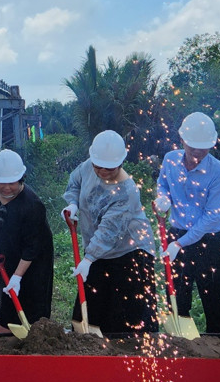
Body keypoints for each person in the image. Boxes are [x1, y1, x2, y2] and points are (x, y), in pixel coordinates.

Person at [62, 130, 158, 336]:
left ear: (120, 162)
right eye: (98, 166)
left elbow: (110, 232)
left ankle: (124, 355)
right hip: (98, 248)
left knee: (124, 318)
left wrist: (88, 259)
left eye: (109, 168)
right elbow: (75, 183)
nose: (102, 171)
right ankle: (88, 351)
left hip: (131, 251)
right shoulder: (89, 166)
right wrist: (72, 205)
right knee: (87, 309)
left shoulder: (127, 191)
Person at [156, 111, 220, 333]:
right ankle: (180, 341)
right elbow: (163, 184)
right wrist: (163, 199)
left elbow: (212, 216)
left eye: (203, 149)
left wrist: (181, 244)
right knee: (176, 293)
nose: (197, 154)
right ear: (182, 141)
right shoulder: (170, 160)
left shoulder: (219, 172)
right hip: (177, 233)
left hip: (210, 239)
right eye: (192, 148)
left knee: (214, 296)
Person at [0, 149, 53, 333]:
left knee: (33, 297)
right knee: (6, 299)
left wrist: (17, 277)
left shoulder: (32, 205)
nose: (6, 188)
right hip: (5, 251)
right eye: (1, 183)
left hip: (35, 258)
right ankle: (4, 338)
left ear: (21, 178)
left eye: (11, 183)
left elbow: (32, 246)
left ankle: (36, 341)